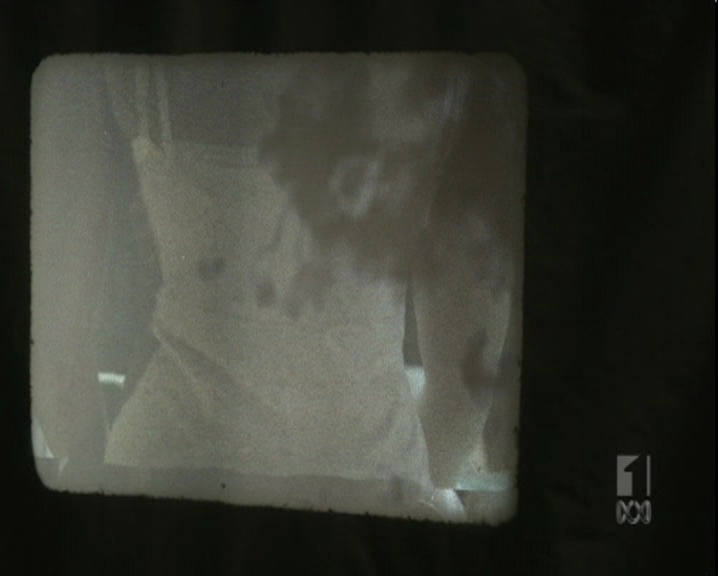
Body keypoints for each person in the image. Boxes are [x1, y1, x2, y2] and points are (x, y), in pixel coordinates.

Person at [31, 54, 524, 517]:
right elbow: (464, 386)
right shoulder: (450, 69)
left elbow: (55, 360)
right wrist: (402, 487)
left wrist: (102, 485)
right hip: (374, 483)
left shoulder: (103, 65)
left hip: (164, 472)